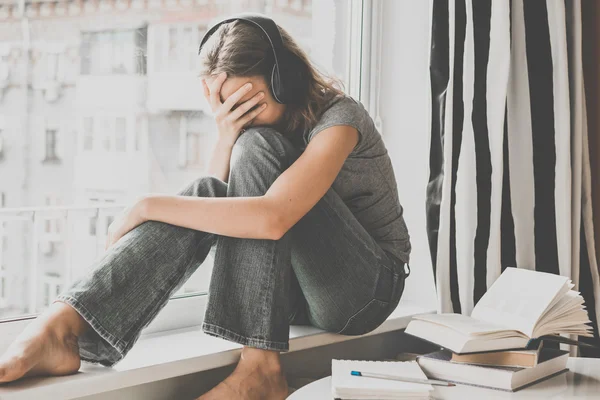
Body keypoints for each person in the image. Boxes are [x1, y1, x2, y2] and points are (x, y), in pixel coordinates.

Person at [0, 14, 411, 399]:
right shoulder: (251, 135)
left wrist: (147, 204)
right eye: (230, 105)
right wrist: (225, 133)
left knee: (254, 150)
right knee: (214, 181)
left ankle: (260, 369)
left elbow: (271, 218)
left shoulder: (342, 119)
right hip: (297, 292)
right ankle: (63, 326)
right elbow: (218, 199)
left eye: (250, 104)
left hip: (365, 292)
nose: (243, 116)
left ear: (288, 79)